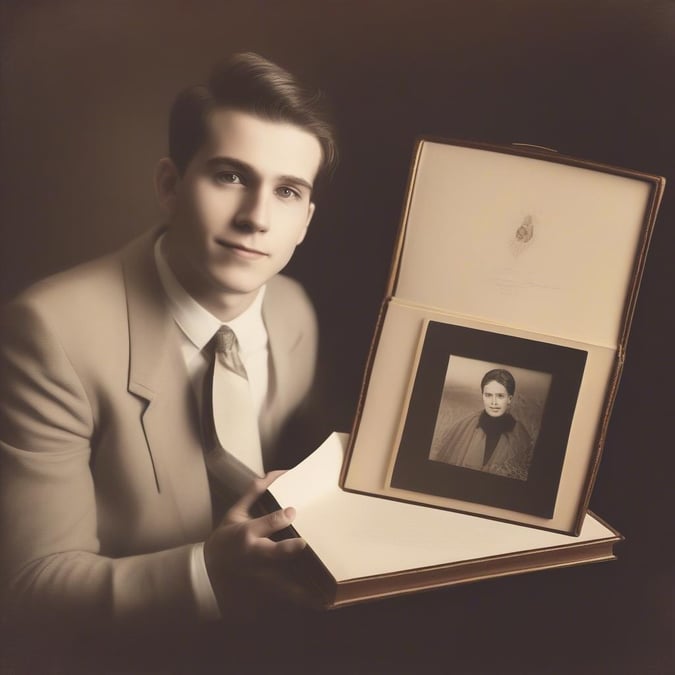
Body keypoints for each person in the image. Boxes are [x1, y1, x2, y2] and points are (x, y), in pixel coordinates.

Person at [0, 52, 337, 631]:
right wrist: (209, 572)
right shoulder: (48, 334)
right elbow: (31, 588)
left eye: (286, 192)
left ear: (306, 219)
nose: (256, 217)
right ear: (169, 185)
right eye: (231, 176)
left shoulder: (294, 312)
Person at [435, 368, 533, 481]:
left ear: (509, 399)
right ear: (482, 396)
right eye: (488, 395)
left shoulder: (521, 436)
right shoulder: (463, 426)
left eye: (500, 396)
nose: (494, 402)